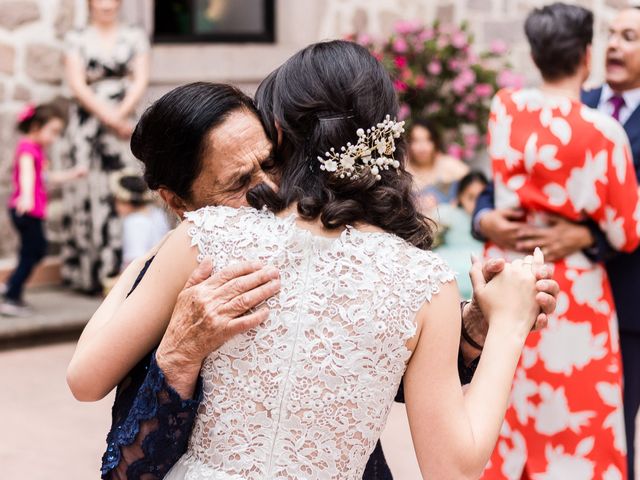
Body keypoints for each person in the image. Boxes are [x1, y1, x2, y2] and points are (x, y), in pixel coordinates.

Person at [69, 40, 549, 480]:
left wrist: (473, 332)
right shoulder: (425, 282)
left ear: (278, 135)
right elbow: (453, 470)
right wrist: (509, 323)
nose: (261, 187)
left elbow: (85, 378)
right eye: (239, 180)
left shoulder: (203, 236)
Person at [473, 6, 640, 478]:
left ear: (537, 53)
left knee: (506, 405)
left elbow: (504, 184)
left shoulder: (504, 106)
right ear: (586, 56)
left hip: (511, 278)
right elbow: (628, 233)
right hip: (573, 295)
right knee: (574, 420)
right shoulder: (604, 132)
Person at [60, 0, 150, 293]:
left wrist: (122, 114)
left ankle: (126, 270)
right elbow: (77, 84)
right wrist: (108, 117)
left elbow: (140, 79)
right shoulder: (76, 37)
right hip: (89, 125)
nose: (107, 4)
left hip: (124, 123)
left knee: (124, 188)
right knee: (90, 191)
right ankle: (91, 273)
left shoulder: (135, 35)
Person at [1, 103, 86, 317]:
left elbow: (45, 178)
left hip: (29, 210)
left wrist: (72, 173)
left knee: (32, 252)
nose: (55, 138)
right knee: (34, 252)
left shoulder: (37, 149)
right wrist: (27, 196)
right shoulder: (28, 149)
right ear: (36, 126)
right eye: (53, 132)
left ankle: (10, 285)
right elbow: (27, 174)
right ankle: (11, 297)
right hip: (26, 210)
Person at [435, 171, 488, 299]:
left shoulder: (489, 219)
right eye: (470, 197)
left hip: (480, 256)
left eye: (480, 198)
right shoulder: (448, 214)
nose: (476, 203)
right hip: (449, 258)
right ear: (460, 196)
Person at [406, 118, 470, 213]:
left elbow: (474, 184)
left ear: (435, 143)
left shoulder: (448, 164)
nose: (422, 147)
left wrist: (460, 202)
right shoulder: (403, 170)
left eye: (427, 140)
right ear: (409, 144)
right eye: (416, 141)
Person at [111, 171, 170, 270]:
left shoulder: (134, 222)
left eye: (118, 201)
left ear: (127, 201)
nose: (116, 206)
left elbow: (133, 262)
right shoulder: (157, 213)